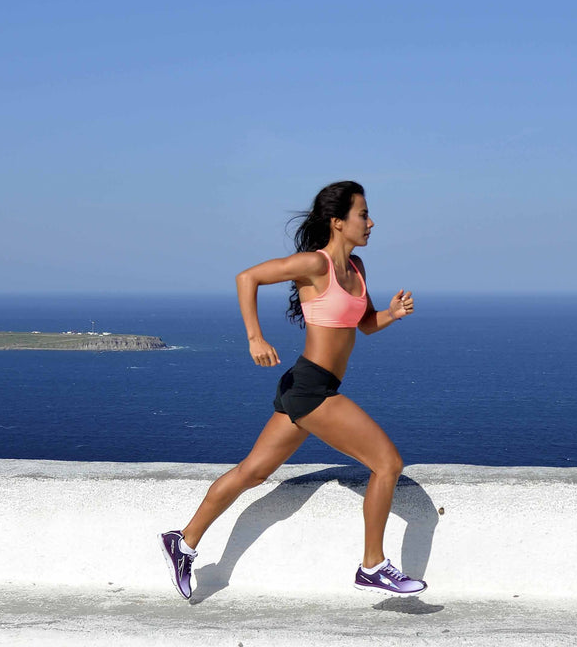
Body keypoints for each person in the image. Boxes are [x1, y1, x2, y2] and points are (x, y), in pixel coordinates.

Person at [159, 180, 424, 600]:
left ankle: (184, 540)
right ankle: (372, 565)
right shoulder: (314, 265)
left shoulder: (357, 269)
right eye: (362, 214)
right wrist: (254, 338)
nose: (371, 222)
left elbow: (364, 324)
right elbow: (247, 277)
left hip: (310, 385)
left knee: (254, 472)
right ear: (338, 222)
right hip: (312, 389)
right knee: (388, 463)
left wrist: (390, 313)